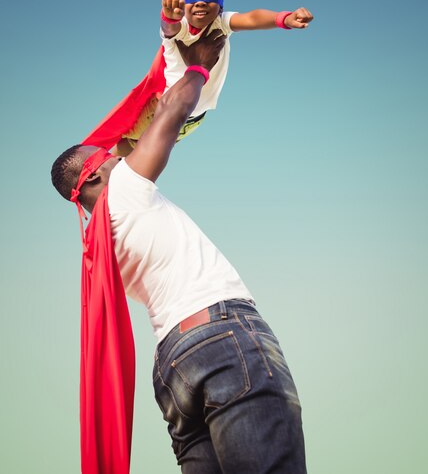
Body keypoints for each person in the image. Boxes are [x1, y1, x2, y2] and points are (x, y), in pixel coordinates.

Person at [51, 31, 307, 474]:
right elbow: (170, 115)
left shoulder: (100, 246)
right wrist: (198, 65)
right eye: (105, 156)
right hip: (221, 338)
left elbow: (135, 136)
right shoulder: (125, 192)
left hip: (173, 370)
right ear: (92, 178)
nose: (115, 154)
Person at [112, 0, 314, 153]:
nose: (201, 1)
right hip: (161, 108)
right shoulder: (180, 27)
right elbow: (169, 29)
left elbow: (252, 18)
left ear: (220, 4)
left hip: (193, 118)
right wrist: (169, 18)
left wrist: (284, 18)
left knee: (144, 153)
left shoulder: (222, 23)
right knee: (125, 148)